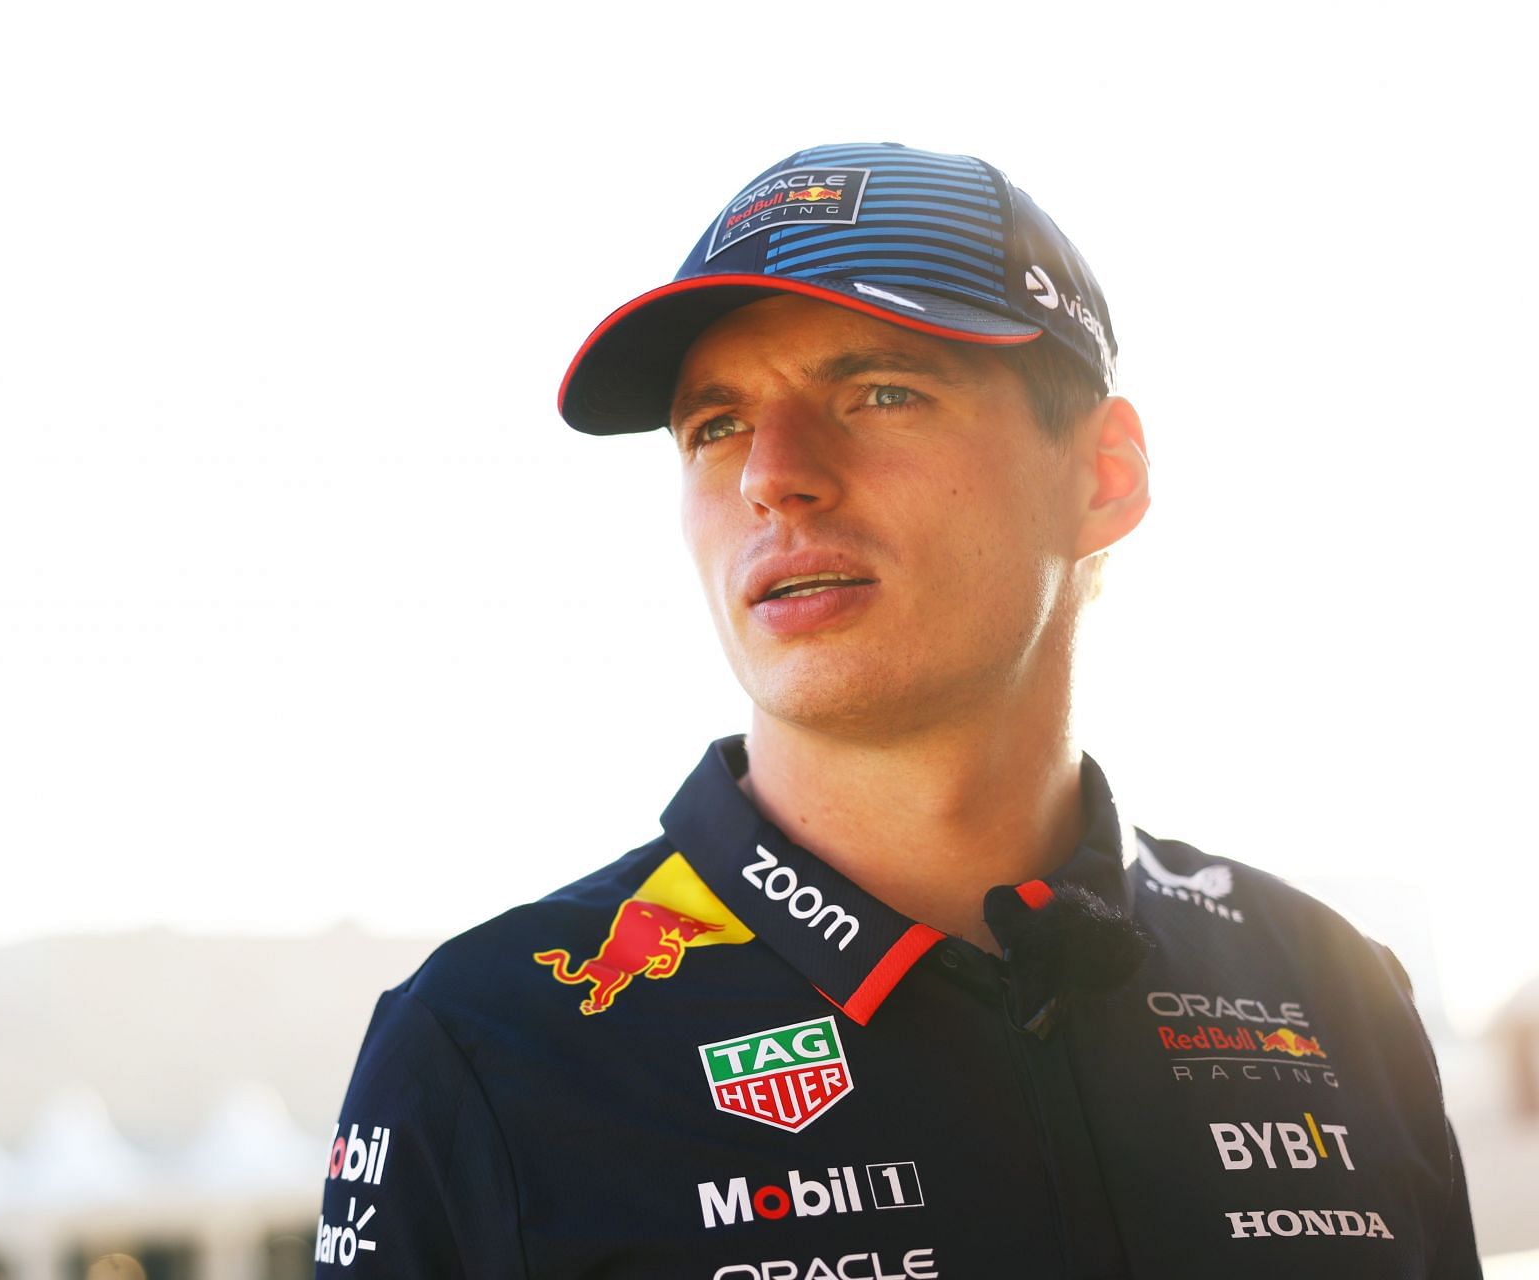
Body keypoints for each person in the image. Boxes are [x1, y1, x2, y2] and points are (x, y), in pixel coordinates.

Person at [313, 142, 1480, 1278]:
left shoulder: (1331, 992)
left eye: (880, 390)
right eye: (714, 426)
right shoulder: (490, 1044)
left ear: (1104, 473)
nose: (773, 470)